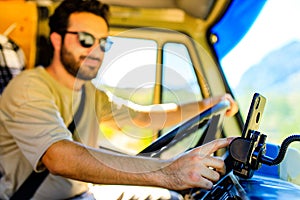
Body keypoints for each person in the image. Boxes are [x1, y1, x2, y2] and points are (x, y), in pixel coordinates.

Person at [0, 0, 239, 199]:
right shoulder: (29, 87)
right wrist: (167, 171)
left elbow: (143, 117)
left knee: (170, 198)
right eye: (85, 39)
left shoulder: (89, 93)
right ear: (56, 40)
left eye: (103, 42)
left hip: (84, 192)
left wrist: (206, 104)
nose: (96, 50)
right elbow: (58, 156)